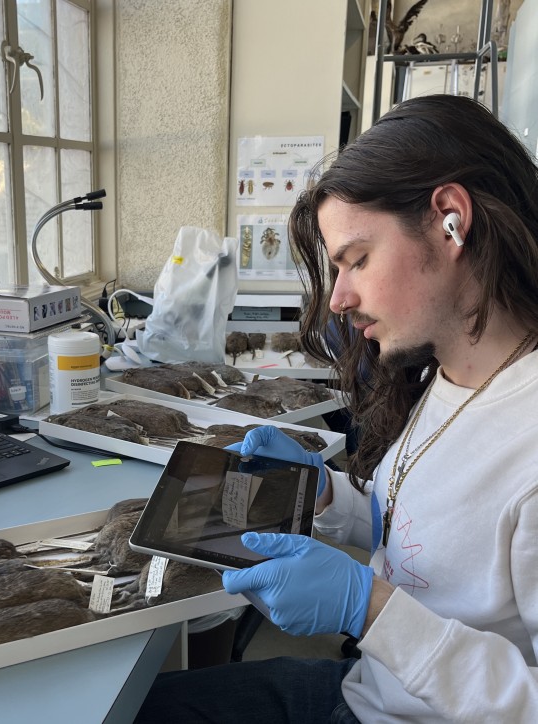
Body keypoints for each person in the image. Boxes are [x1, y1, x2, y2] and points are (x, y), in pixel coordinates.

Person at [134, 93, 538, 723]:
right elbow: (435, 537)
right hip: (367, 691)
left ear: (451, 219)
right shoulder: (450, 372)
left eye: (357, 260)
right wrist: (320, 495)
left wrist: (369, 608)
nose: (340, 299)